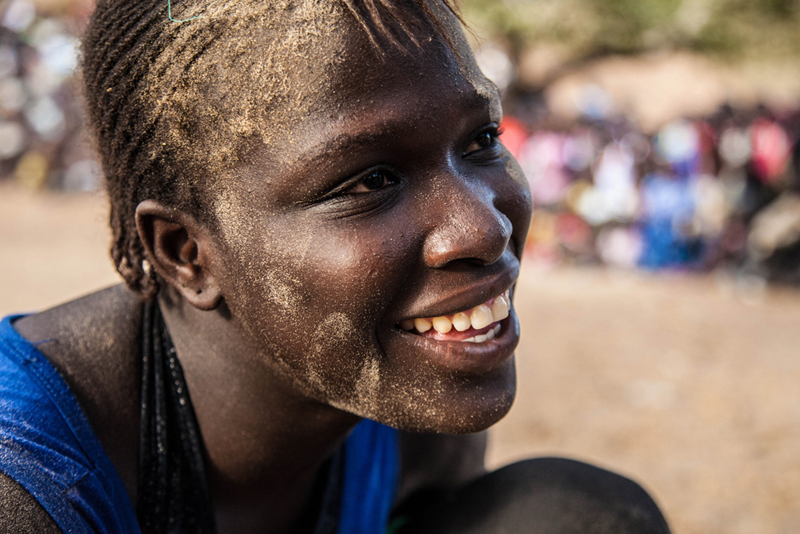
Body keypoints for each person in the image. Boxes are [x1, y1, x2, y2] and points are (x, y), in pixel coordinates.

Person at [0, 0, 672, 532]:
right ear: (186, 253)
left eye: (482, 139)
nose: (485, 228)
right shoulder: (28, 487)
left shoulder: (409, 429)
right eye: (372, 180)